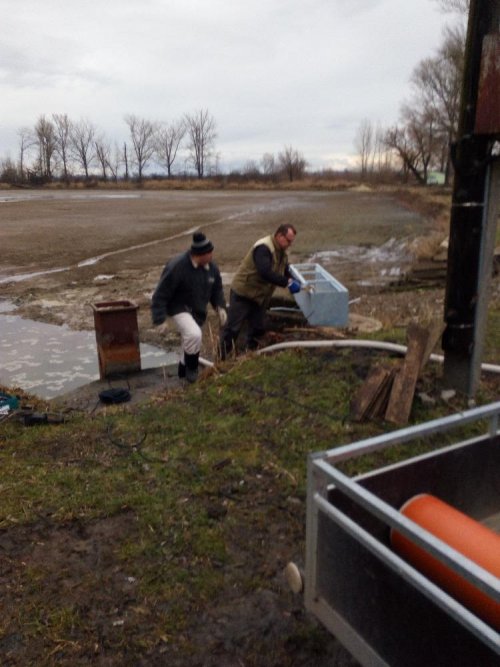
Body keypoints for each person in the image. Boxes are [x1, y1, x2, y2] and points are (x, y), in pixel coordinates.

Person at [151, 232, 227, 383]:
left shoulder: (211, 268)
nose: (212, 255)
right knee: (194, 335)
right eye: (209, 253)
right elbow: (161, 292)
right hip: (178, 306)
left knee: (188, 340)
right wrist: (159, 318)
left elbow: (216, 289)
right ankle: (192, 370)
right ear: (200, 254)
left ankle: (182, 370)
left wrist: (220, 307)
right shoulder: (177, 266)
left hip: (198, 309)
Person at [219, 223, 300, 358]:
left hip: (259, 296)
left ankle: (250, 355)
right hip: (243, 293)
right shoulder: (264, 247)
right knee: (233, 329)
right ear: (279, 236)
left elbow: (284, 268)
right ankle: (221, 359)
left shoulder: (280, 251)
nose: (290, 244)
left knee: (258, 327)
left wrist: (291, 278)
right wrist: (287, 283)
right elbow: (265, 272)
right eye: (288, 240)